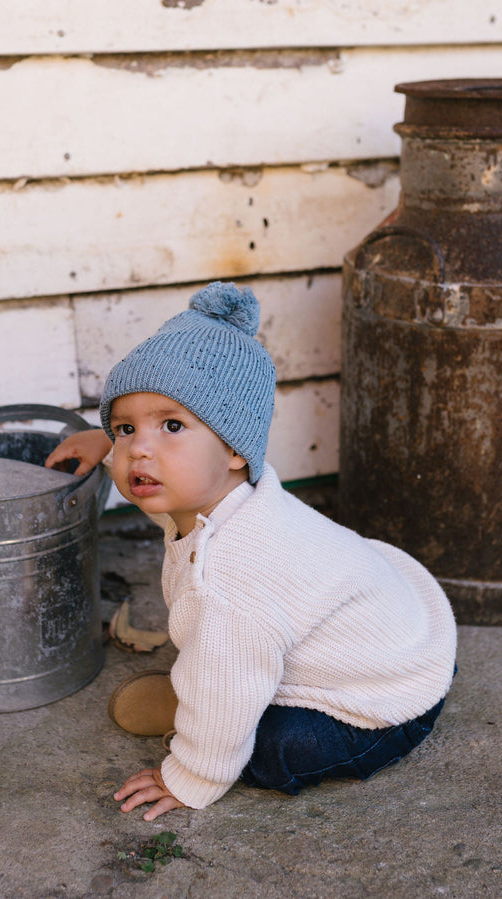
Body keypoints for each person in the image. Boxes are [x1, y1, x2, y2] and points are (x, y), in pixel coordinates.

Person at [45, 280, 457, 822]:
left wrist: (190, 776)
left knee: (276, 746)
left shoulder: (231, 578)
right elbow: (158, 485)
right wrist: (104, 443)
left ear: (235, 449)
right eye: (125, 428)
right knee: (230, 664)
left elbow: (229, 666)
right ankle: (205, 701)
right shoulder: (224, 495)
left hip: (384, 701)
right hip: (396, 628)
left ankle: (204, 715)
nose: (139, 448)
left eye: (172, 425)